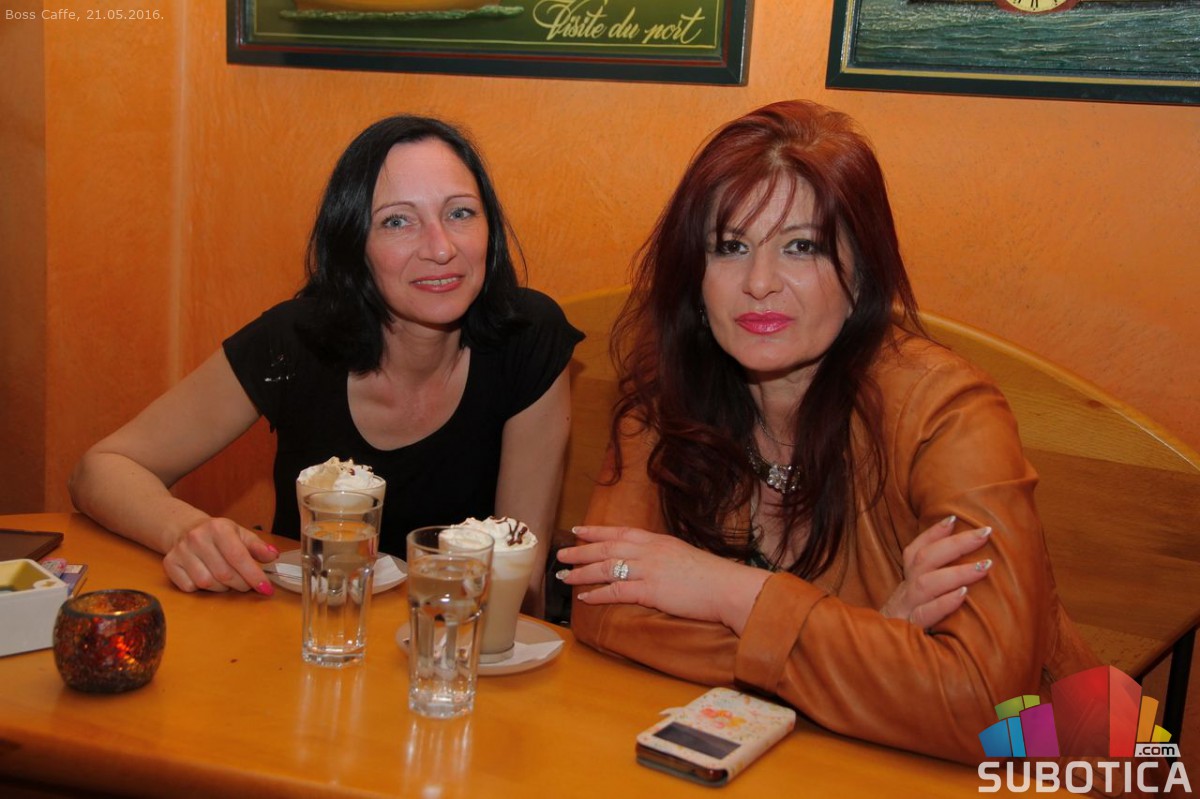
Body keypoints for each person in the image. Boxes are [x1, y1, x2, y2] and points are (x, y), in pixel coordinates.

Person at [556, 100, 1098, 763]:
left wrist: (729, 591)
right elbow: (603, 609)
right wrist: (874, 640)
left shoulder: (948, 412)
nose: (759, 283)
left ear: (862, 270)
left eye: (801, 246)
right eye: (730, 246)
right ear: (695, 276)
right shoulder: (664, 398)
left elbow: (985, 703)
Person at [70, 115, 583, 613]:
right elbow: (102, 468)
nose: (441, 248)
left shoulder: (529, 338)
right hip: (304, 635)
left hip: (445, 646)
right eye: (397, 221)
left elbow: (520, 581)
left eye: (461, 213)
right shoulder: (294, 341)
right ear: (352, 245)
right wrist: (185, 530)